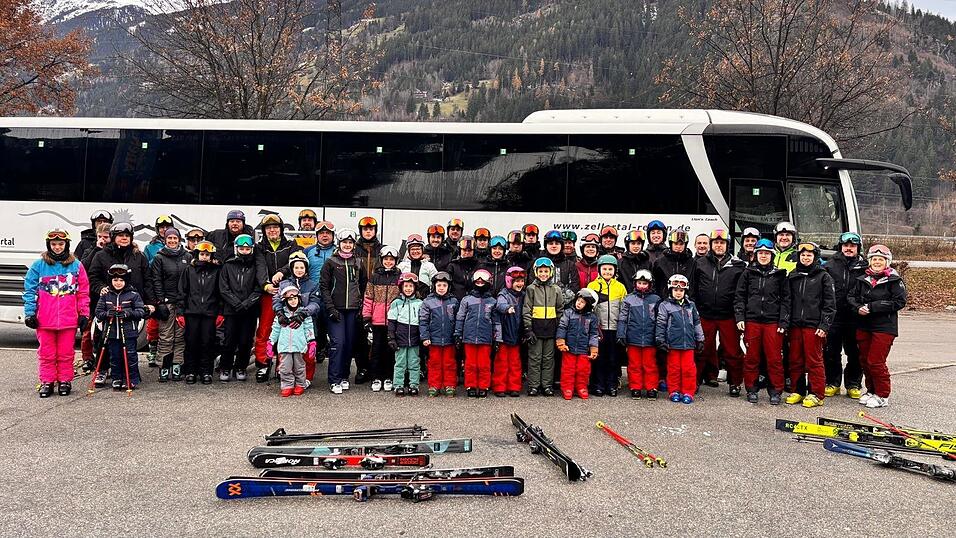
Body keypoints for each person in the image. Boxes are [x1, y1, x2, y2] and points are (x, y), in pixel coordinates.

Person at [23, 229, 90, 397]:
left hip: (68, 319)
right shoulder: (39, 265)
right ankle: (47, 381)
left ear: (66, 245)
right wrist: (30, 313)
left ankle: (65, 380)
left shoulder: (76, 265)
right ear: (49, 245)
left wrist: (84, 313)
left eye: (61, 244)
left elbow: (83, 292)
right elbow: (29, 290)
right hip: (45, 319)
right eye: (54, 244)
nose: (57, 247)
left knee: (66, 352)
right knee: (46, 352)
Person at [848, 245, 906, 409]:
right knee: (865, 361)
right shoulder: (862, 279)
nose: (877, 262)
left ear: (887, 262)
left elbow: (899, 302)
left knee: (876, 361)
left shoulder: (894, 280)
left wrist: (874, 306)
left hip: (884, 327)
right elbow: (851, 297)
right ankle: (871, 390)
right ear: (870, 261)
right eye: (874, 259)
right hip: (864, 325)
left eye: (881, 259)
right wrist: (858, 307)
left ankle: (882, 394)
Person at [734, 239, 790, 405]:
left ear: (772, 255)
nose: (763, 256)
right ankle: (751, 388)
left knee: (774, 359)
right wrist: (740, 318)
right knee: (751, 357)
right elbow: (739, 297)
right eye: (760, 253)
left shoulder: (780, 275)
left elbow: (786, 301)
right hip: (752, 321)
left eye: (767, 253)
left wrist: (783, 322)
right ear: (756, 255)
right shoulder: (747, 273)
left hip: (773, 322)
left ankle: (776, 391)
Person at [691, 228, 746, 395]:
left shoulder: (738, 265)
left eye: (722, 243)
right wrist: (694, 311)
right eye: (716, 243)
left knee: (732, 351)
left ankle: (735, 383)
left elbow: (741, 292)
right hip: (705, 314)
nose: (719, 246)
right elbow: (693, 289)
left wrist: (739, 315)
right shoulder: (699, 263)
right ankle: (695, 381)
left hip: (728, 315)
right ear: (711, 244)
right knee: (701, 349)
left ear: (727, 245)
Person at [88, 223, 152, 359]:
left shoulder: (139, 256)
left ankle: (126, 372)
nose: (124, 238)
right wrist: (100, 288)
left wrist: (151, 303)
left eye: (127, 236)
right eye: (121, 235)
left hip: (131, 306)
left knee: (128, 342)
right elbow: (93, 277)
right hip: (108, 304)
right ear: (113, 237)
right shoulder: (101, 256)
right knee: (104, 338)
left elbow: (148, 281)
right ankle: (103, 370)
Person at [784, 242, 836, 408]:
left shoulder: (823, 276)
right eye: (803, 255)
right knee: (795, 359)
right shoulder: (793, 275)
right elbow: (787, 301)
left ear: (815, 257)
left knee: (814, 361)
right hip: (795, 325)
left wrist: (824, 325)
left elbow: (830, 304)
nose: (805, 258)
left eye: (809, 255)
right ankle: (798, 390)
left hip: (814, 326)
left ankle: (817, 394)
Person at [253, 214, 302, 382]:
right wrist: (265, 285)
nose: (272, 230)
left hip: (288, 294)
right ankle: (263, 364)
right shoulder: (259, 247)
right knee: (265, 330)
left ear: (281, 229)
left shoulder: (291, 245)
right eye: (268, 228)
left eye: (275, 227)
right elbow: (259, 267)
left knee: (286, 329)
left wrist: (282, 272)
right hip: (269, 293)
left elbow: (295, 262)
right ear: (264, 231)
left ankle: (283, 365)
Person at [320, 229, 367, 394]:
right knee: (338, 344)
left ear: (354, 245)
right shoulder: (331, 262)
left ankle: (344, 376)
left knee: (348, 344)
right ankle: (334, 379)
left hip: (353, 310)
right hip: (336, 310)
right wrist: (330, 308)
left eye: (350, 243)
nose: (347, 245)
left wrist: (362, 307)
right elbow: (324, 287)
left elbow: (364, 285)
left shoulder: (359, 263)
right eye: (344, 242)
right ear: (339, 244)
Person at [823, 232, 868, 399]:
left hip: (856, 317)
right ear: (841, 246)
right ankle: (832, 382)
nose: (849, 249)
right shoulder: (829, 265)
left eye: (852, 246)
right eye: (846, 246)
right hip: (834, 316)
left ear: (858, 248)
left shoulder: (865, 266)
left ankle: (853, 384)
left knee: (855, 353)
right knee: (831, 352)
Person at [176, 240, 222, 385]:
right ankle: (190, 371)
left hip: (210, 313)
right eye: (202, 254)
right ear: (197, 255)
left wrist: (220, 312)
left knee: (207, 343)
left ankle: (206, 371)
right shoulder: (188, 270)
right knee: (191, 342)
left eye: (207, 255)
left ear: (211, 256)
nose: (204, 257)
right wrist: (180, 313)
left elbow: (220, 293)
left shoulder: (216, 271)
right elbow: (182, 292)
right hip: (192, 313)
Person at [148, 228, 190, 382]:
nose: (172, 241)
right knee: (166, 336)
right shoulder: (159, 257)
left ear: (179, 239)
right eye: (169, 238)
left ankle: (177, 364)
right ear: (165, 240)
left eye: (175, 238)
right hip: (167, 302)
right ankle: (164, 366)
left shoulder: (187, 256)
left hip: (182, 303)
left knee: (180, 336)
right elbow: (156, 280)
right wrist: (160, 302)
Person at [272, 251, 321, 384]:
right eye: (296, 267)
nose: (299, 270)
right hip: (287, 322)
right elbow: (276, 300)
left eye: (302, 267)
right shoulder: (284, 284)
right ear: (292, 268)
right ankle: (286, 376)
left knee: (307, 352)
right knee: (286, 350)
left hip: (305, 321)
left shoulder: (312, 285)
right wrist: (280, 313)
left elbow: (315, 303)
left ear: (306, 268)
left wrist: (303, 313)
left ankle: (306, 378)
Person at [94, 264, 144, 391]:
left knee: (130, 355)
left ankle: (131, 379)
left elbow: (140, 311)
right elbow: (98, 312)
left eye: (121, 280)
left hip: (128, 332)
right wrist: (107, 314)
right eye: (115, 280)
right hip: (112, 332)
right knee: (114, 356)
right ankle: (117, 378)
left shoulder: (133, 294)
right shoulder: (106, 295)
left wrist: (128, 313)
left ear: (126, 280)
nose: (118, 283)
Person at [218, 234, 261, 382]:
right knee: (229, 340)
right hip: (231, 310)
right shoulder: (228, 265)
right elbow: (223, 288)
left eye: (247, 248)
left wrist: (248, 303)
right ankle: (225, 367)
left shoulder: (255, 266)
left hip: (249, 310)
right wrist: (236, 303)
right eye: (242, 248)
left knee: (245, 341)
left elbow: (258, 287)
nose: (244, 251)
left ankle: (241, 367)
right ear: (237, 249)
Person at [656, 274, 704, 404]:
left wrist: (700, 339)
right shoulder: (665, 305)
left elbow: (696, 322)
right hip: (673, 344)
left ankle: (688, 391)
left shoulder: (691, 305)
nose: (678, 293)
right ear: (670, 290)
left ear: (685, 291)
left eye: (681, 290)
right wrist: (660, 340)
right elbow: (661, 323)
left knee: (689, 369)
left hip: (688, 344)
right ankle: (674, 391)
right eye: (675, 290)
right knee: (674, 369)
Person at [587, 255, 627, 396]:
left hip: (614, 328)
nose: (607, 272)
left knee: (613, 358)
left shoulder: (620, 287)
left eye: (610, 269)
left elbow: (624, 309)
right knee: (599, 358)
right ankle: (597, 384)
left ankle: (611, 385)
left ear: (615, 270)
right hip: (599, 329)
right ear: (599, 270)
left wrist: (622, 329)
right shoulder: (592, 286)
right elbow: (588, 308)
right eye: (604, 269)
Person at [618, 270, 661, 399]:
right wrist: (621, 334)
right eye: (639, 283)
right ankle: (635, 386)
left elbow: (660, 319)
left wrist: (659, 337)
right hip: (633, 338)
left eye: (645, 283)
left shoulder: (656, 299)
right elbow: (623, 318)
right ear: (635, 283)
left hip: (650, 338)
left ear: (650, 284)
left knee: (650, 365)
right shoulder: (629, 299)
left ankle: (651, 387)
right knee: (634, 364)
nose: (642, 286)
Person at [363, 246, 401, 392]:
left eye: (391, 259)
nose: (388, 262)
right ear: (381, 260)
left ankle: (388, 377)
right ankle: (376, 377)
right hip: (377, 320)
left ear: (396, 261)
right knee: (376, 350)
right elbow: (368, 298)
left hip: (392, 320)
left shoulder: (398, 277)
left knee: (390, 350)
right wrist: (367, 317)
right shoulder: (374, 277)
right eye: (386, 259)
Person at [523, 257, 563, 396]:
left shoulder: (556, 289)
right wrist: (528, 329)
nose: (543, 274)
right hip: (536, 329)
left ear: (551, 272)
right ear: (536, 272)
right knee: (535, 358)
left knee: (548, 359)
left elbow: (560, 310)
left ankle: (547, 385)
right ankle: (534, 385)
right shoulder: (531, 289)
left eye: (546, 271)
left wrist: (560, 330)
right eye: (541, 271)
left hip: (551, 330)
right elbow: (527, 309)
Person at [268, 284, 315, 397]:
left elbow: (309, 328)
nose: (293, 301)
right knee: (285, 367)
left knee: (299, 367)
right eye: (290, 299)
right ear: (285, 301)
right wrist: (270, 342)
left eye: (295, 298)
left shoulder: (303, 314)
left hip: (299, 346)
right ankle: (287, 385)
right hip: (284, 347)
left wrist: (312, 341)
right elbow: (275, 329)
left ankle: (300, 384)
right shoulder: (281, 316)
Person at [454, 269, 496, 398]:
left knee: (484, 364)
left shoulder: (492, 301)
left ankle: (483, 385)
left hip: (485, 338)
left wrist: (497, 337)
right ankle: (471, 385)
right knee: (470, 363)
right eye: (477, 280)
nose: (480, 282)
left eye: (483, 280)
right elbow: (460, 317)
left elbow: (496, 321)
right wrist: (458, 334)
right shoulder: (467, 300)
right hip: (469, 337)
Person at [556, 288, 600, 400]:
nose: (579, 303)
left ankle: (581, 387)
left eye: (582, 302)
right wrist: (561, 342)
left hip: (583, 349)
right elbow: (562, 327)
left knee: (583, 370)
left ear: (589, 305)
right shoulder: (568, 313)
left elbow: (594, 334)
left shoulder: (592, 317)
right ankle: (567, 388)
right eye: (578, 300)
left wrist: (594, 349)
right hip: (569, 348)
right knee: (568, 369)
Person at [420, 272, 458, 396]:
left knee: (449, 363)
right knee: (434, 363)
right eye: (439, 285)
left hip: (449, 339)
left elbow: (458, 319)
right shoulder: (428, 302)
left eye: (444, 285)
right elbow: (423, 321)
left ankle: (449, 384)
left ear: (448, 287)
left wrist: (457, 335)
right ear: (434, 286)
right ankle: (434, 385)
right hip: (434, 339)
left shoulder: (453, 301)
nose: (441, 288)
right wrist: (425, 336)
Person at [79, 223, 111, 372]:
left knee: (103, 332)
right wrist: (96, 249)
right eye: (100, 237)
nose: (103, 240)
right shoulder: (89, 250)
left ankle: (104, 359)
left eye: (106, 237)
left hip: (106, 295)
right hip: (91, 294)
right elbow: (83, 266)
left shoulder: (112, 252)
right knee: (87, 330)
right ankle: (87, 358)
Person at [144, 217, 175, 368]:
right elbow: (146, 267)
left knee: (170, 326)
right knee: (153, 324)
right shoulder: (150, 247)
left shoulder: (176, 244)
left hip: (170, 290)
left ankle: (170, 354)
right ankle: (152, 350)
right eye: (161, 227)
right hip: (156, 288)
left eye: (167, 226)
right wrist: (159, 258)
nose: (164, 229)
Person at [304, 220, 336, 362]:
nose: (324, 236)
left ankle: (324, 349)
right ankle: (316, 350)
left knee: (331, 326)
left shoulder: (338, 250)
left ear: (333, 235)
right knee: (314, 326)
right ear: (316, 235)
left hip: (333, 295)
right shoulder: (308, 251)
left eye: (328, 233)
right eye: (321, 233)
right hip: (313, 296)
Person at [388, 273, 424, 396]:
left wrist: (423, 336)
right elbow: (391, 322)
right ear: (401, 287)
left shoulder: (420, 303)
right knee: (400, 363)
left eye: (411, 286)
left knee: (414, 363)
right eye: (406, 286)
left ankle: (414, 385)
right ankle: (398, 385)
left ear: (415, 288)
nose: (408, 289)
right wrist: (391, 337)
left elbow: (423, 321)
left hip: (414, 338)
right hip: (400, 338)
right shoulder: (396, 303)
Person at [493, 266, 526, 397]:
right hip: (505, 334)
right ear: (509, 281)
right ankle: (500, 387)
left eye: (522, 281)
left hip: (517, 334)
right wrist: (507, 308)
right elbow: (499, 305)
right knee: (502, 362)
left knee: (515, 363)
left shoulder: (523, 295)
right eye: (516, 281)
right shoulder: (504, 294)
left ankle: (514, 386)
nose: (520, 284)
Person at [651, 230, 695, 298]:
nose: (678, 246)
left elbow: (694, 285)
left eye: (681, 244)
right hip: (665, 303)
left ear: (685, 245)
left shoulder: (692, 262)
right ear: (671, 244)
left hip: (686, 303)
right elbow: (655, 285)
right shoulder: (660, 262)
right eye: (676, 244)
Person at [542, 230, 581, 305]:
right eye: (550, 243)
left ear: (561, 246)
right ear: (546, 245)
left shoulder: (570, 265)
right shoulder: (538, 263)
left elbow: (574, 287)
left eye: (557, 243)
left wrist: (560, 301)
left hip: (564, 308)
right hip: (542, 305)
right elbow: (533, 285)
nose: (554, 246)